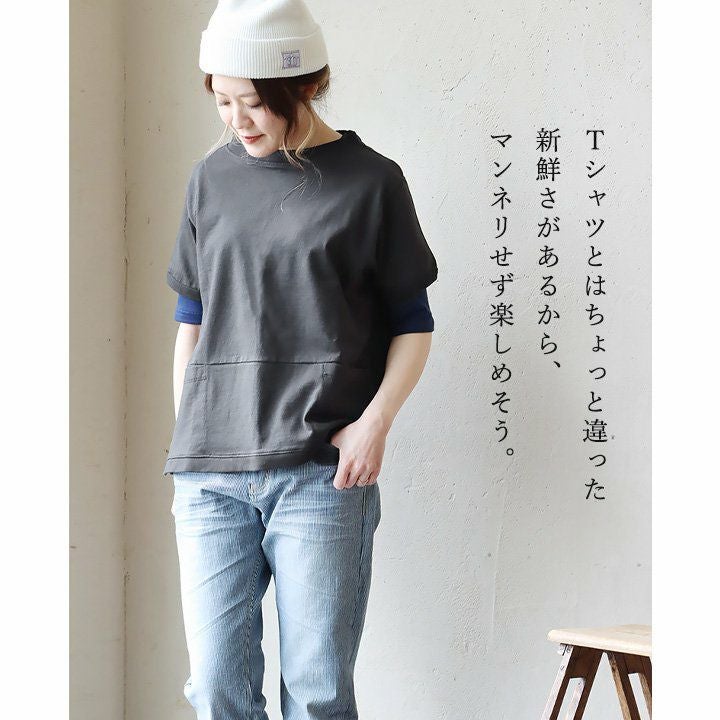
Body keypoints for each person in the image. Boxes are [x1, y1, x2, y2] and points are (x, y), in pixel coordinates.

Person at [164, 1, 439, 718]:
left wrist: (374, 424)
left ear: (305, 87)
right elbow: (191, 319)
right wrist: (187, 429)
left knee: (316, 693)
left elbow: (413, 324)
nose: (237, 120)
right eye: (222, 101)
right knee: (215, 688)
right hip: (210, 475)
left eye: (254, 103)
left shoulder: (372, 182)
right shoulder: (210, 178)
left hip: (321, 472)